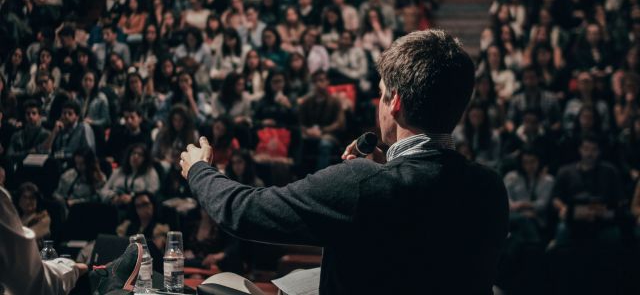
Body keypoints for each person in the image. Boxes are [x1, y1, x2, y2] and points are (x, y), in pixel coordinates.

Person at [179, 30, 509, 294]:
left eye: (381, 93)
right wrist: (385, 171)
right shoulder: (490, 187)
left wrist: (199, 169)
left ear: (395, 102)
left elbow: (243, 212)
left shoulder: (361, 183)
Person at [0, 185, 86, 294]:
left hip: (38, 262)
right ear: (19, 200)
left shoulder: (43, 217)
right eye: (25, 198)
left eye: (32, 198)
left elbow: (29, 238)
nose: (28, 201)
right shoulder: (14, 220)